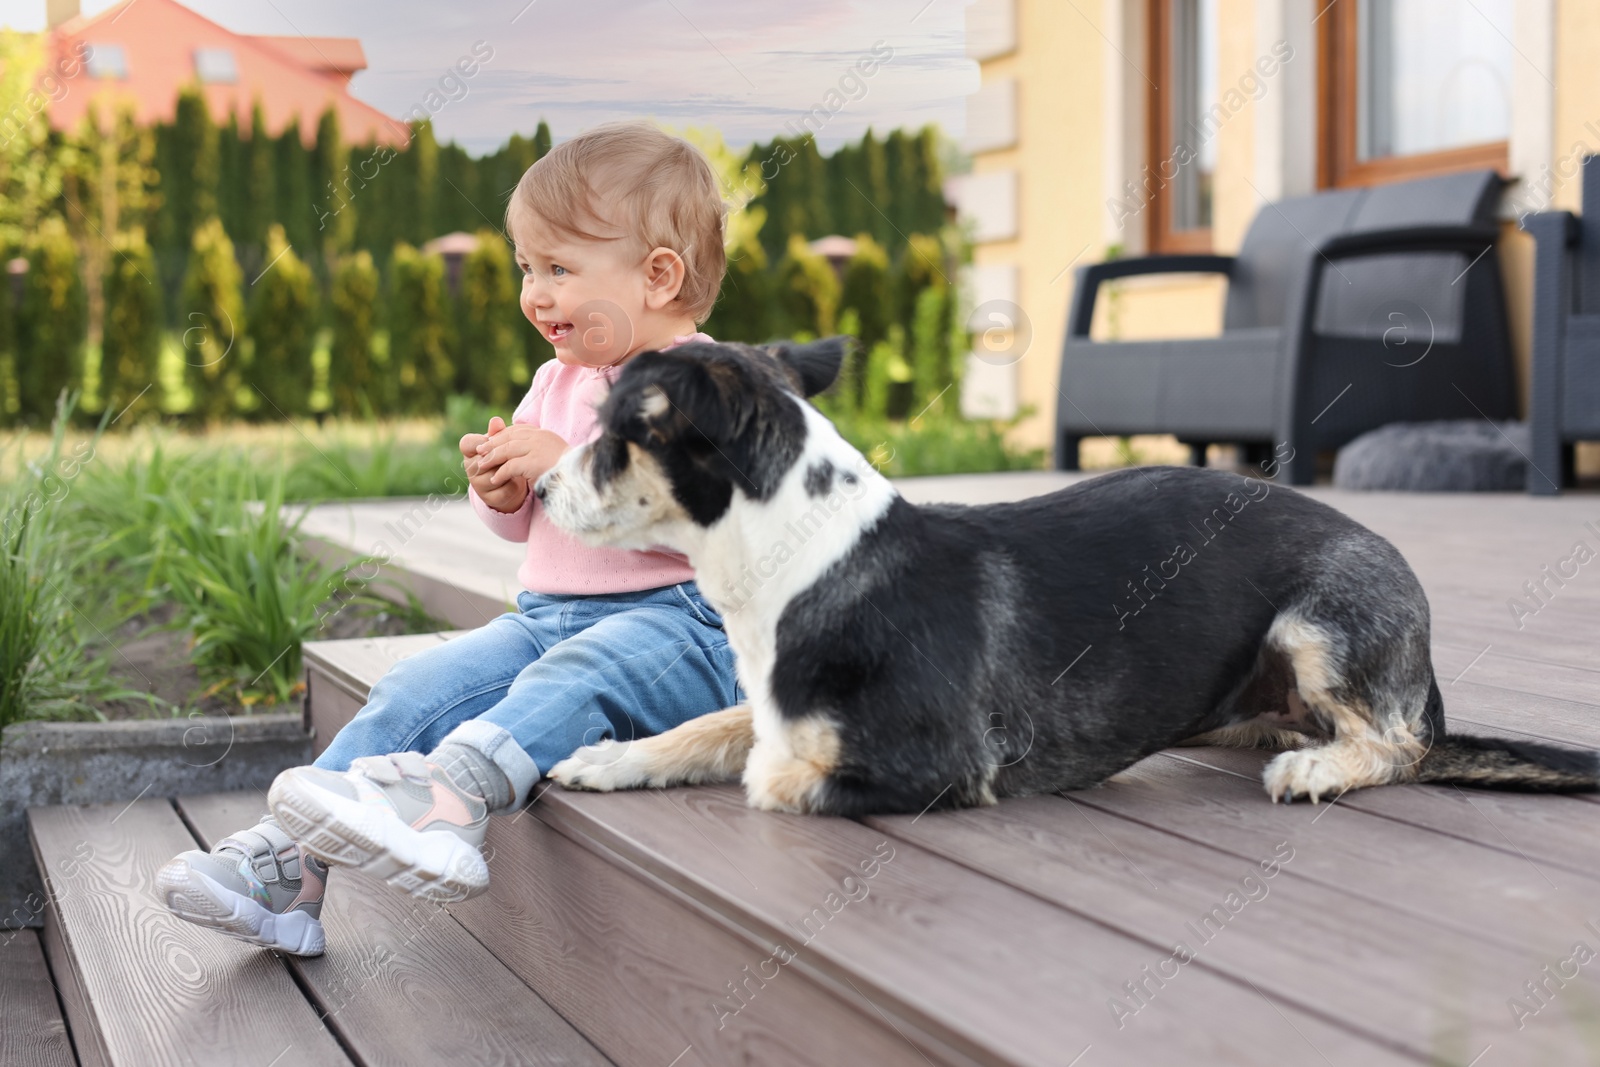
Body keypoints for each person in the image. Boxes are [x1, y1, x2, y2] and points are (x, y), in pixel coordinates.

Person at [158, 122, 740, 955]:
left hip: (682, 627)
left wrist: (567, 464)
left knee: (580, 678)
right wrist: (503, 490)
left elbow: (691, 501)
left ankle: (452, 803)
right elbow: (528, 523)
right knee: (420, 688)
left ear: (657, 275)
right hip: (549, 615)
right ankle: (288, 871)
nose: (535, 294)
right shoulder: (557, 379)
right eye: (526, 269)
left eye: (559, 269)